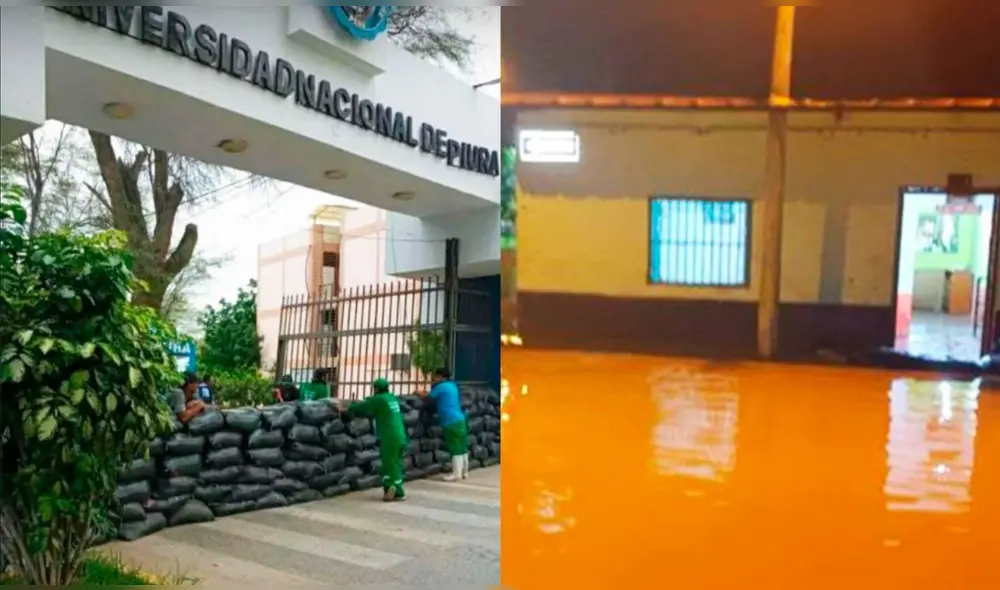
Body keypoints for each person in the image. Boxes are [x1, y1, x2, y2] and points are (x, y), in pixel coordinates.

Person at [343, 378, 408, 501]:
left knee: (390, 464)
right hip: (400, 435)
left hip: (389, 437)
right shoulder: (392, 398)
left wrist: (348, 408)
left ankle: (397, 491)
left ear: (376, 389)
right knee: (395, 463)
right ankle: (392, 487)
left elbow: (363, 407)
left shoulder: (379, 399)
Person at [418, 368, 468, 482]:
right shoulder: (453, 385)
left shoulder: (441, 387)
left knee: (455, 448)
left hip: (450, 421)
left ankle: (456, 474)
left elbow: (428, 398)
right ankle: (464, 472)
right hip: (460, 419)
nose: (433, 378)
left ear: (440, 376)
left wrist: (419, 393)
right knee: (462, 447)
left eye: (435, 376)